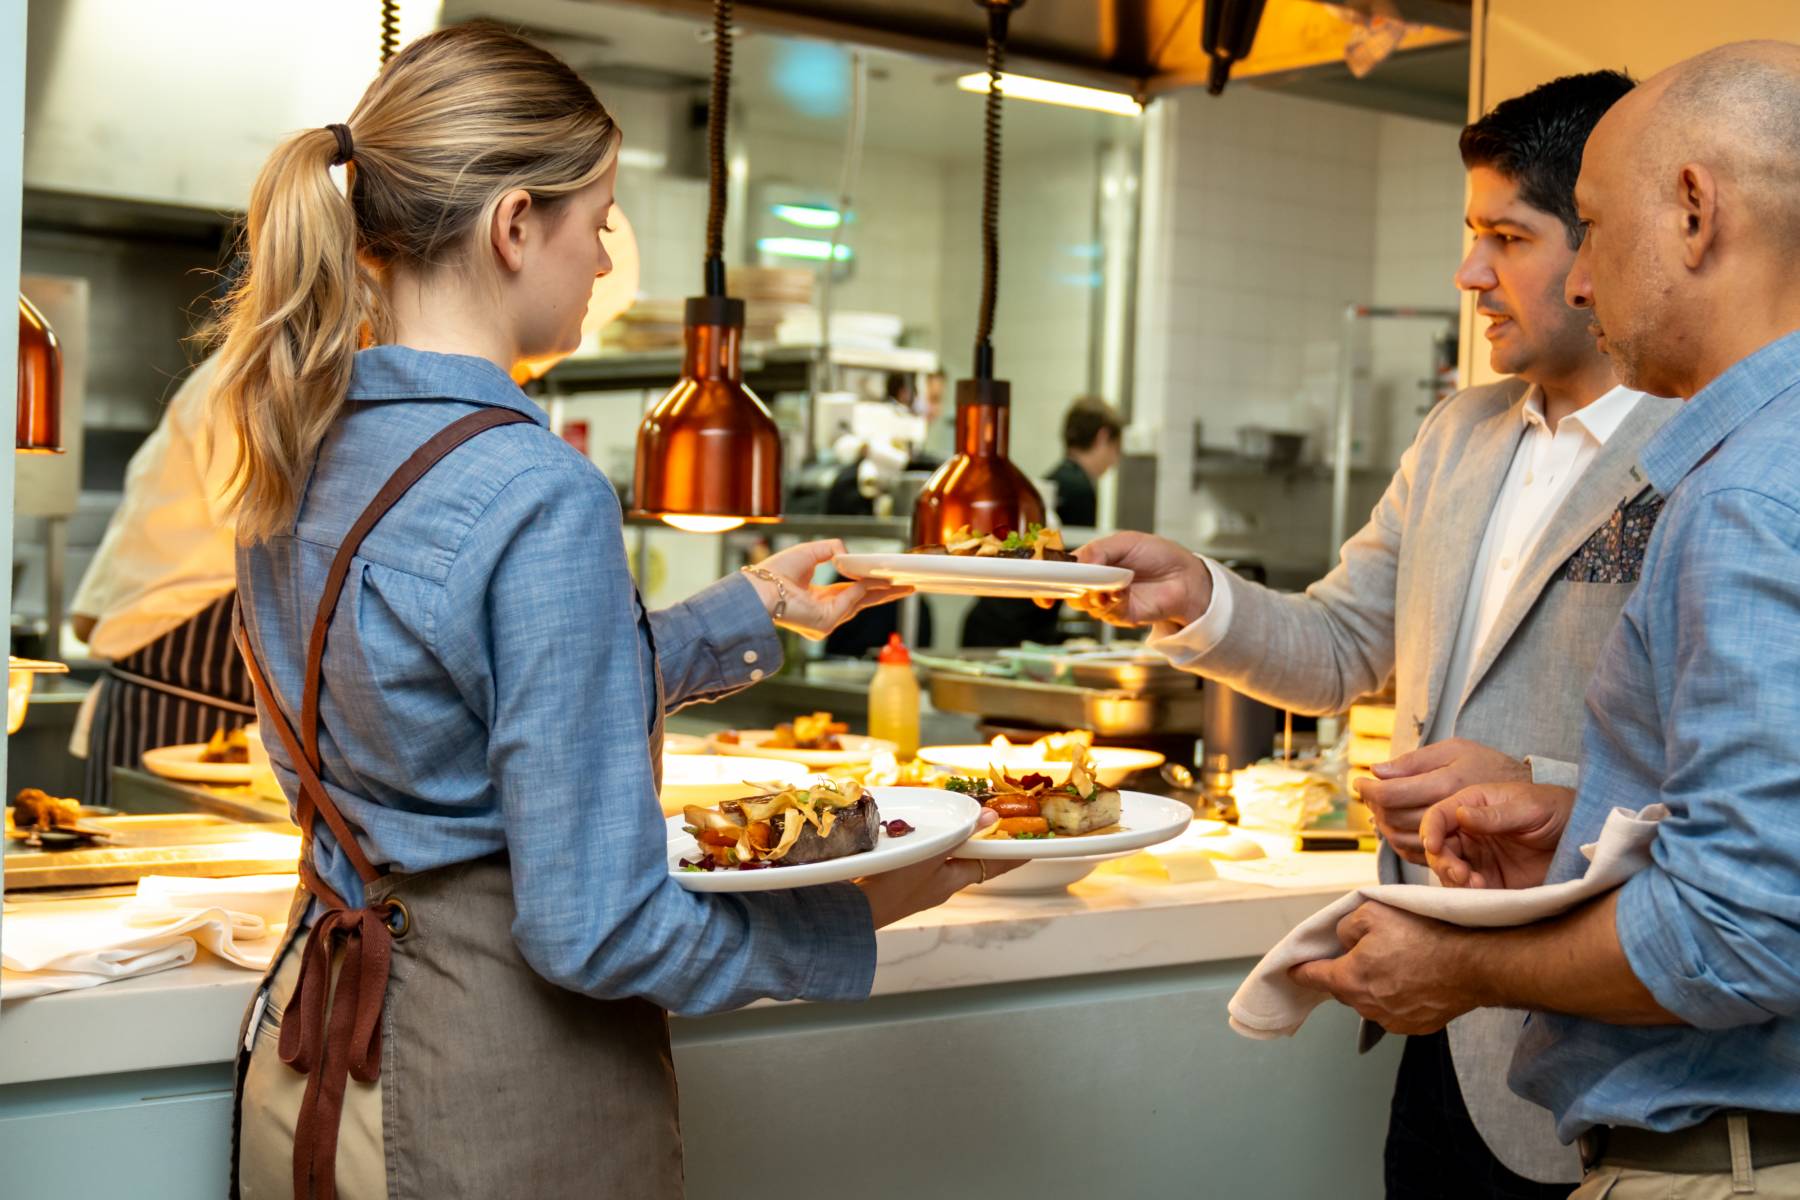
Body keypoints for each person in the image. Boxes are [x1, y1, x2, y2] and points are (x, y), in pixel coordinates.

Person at [214, 25, 1000, 1197]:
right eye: (601, 223)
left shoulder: (296, 444)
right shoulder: (539, 492)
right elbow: (595, 931)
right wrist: (858, 909)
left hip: (312, 1053)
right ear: (515, 223)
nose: (601, 262)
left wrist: (750, 608)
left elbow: (455, 699)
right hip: (486, 1089)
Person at [1072, 72, 1674, 1199]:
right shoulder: (1461, 431)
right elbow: (1345, 642)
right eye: (1470, 234)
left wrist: (1533, 782)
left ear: (1606, 239)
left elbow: (1732, 780)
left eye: (1507, 235)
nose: (1470, 274)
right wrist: (1197, 595)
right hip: (1437, 1017)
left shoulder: (1708, 453)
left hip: (1609, 1047)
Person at [1303, 42, 1800, 1200]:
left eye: (1588, 226)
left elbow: (1745, 934)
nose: (1579, 283)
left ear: (1693, 211)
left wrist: (1467, 961)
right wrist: (1576, 813)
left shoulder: (1740, 497)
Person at [68, 355, 255, 806]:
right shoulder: (253, 378)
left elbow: (84, 619)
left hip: (180, 698)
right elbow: (271, 530)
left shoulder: (234, 375)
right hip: (173, 710)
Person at [960, 395, 1125, 649]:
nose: (1114, 461)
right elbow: (1076, 566)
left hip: (990, 621)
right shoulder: (1080, 489)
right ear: (1103, 437)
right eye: (1116, 450)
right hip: (1012, 632)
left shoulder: (1053, 480)